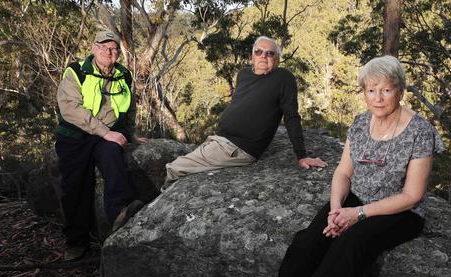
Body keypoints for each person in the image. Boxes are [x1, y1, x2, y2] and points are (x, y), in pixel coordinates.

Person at [243, 55, 445, 277]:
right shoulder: (361, 123)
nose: (377, 98)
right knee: (306, 243)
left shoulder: (419, 130)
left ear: (400, 91)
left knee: (349, 246)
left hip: (398, 211)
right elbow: (343, 173)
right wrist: (336, 209)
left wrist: (359, 215)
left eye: (386, 90)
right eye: (370, 90)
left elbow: (412, 194)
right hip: (354, 199)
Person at [163, 36, 326, 188]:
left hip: (237, 148)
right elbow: (241, 104)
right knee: (180, 163)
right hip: (220, 140)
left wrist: (301, 155)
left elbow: (291, 116)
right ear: (252, 56)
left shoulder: (283, 78)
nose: (264, 56)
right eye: (259, 51)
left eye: (270, 53)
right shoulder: (244, 74)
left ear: (276, 59)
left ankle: (151, 206)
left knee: (174, 168)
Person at [55, 29, 147, 260]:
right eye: (103, 47)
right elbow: (70, 108)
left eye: (114, 48)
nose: (109, 51)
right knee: (75, 186)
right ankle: (77, 242)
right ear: (94, 48)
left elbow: (129, 107)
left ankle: (119, 215)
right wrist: (105, 132)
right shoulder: (76, 72)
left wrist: (130, 132)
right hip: (76, 135)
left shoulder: (124, 75)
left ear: (118, 52)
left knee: (113, 157)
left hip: (107, 134)